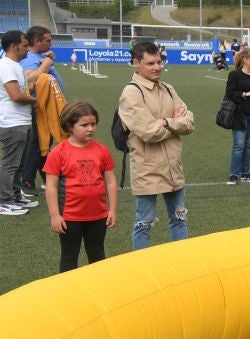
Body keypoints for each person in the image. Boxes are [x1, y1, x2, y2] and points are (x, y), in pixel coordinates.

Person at [119, 40, 195, 249]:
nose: (157, 67)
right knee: (144, 223)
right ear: (136, 63)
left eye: (159, 62)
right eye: (151, 63)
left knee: (180, 219)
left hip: (173, 167)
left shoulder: (168, 89)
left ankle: (182, 265)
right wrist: (174, 123)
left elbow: (189, 122)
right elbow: (148, 132)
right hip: (147, 168)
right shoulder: (132, 92)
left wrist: (165, 122)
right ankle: (142, 271)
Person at [43, 101, 117, 272]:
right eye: (84, 125)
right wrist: (55, 216)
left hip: (98, 216)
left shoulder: (102, 150)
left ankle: (98, 290)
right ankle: (68, 295)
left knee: (97, 255)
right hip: (70, 218)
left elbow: (111, 181)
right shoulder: (58, 152)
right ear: (70, 126)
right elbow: (51, 186)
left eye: (93, 124)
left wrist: (112, 210)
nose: (90, 128)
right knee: (69, 257)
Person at [20, 25, 64, 194]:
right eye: (47, 40)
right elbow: (28, 80)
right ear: (37, 42)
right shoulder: (30, 58)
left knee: (44, 142)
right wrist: (45, 64)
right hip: (39, 106)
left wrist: (45, 58)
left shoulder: (37, 56)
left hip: (46, 106)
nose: (51, 43)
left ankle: (46, 178)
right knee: (38, 143)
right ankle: (27, 180)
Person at [0, 30, 39, 215]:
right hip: (12, 122)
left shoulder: (15, 65)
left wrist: (31, 89)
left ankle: (15, 196)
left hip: (21, 120)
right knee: (10, 164)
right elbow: (15, 95)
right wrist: (35, 100)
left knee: (20, 164)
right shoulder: (6, 66)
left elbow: (20, 90)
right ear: (14, 46)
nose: (27, 49)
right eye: (24, 45)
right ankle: (4, 200)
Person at [225, 47, 250, 184]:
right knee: (239, 145)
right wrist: (245, 94)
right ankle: (233, 174)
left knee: (248, 145)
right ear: (245, 60)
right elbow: (230, 93)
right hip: (239, 114)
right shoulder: (234, 75)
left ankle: (245, 173)